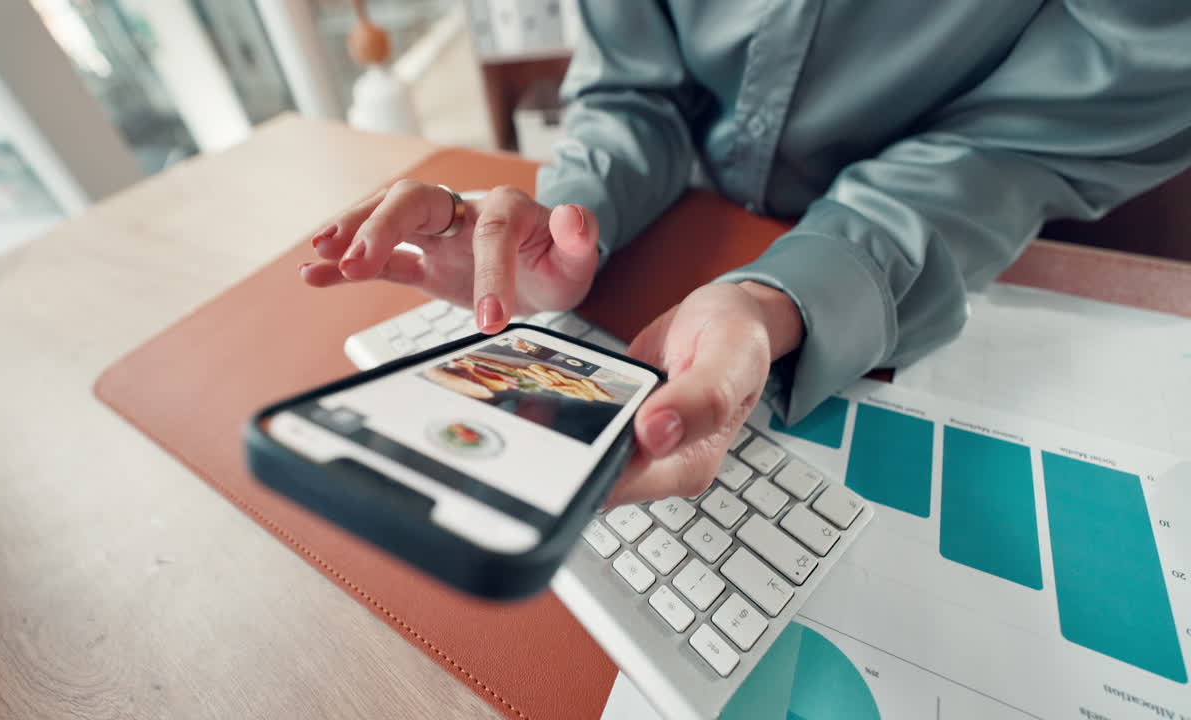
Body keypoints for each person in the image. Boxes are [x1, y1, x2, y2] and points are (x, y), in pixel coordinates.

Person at [300, 2, 1191, 505]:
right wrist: (574, 216)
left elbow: (1015, 149)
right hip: (683, 230)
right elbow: (631, 85)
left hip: (952, 254)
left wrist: (779, 299)